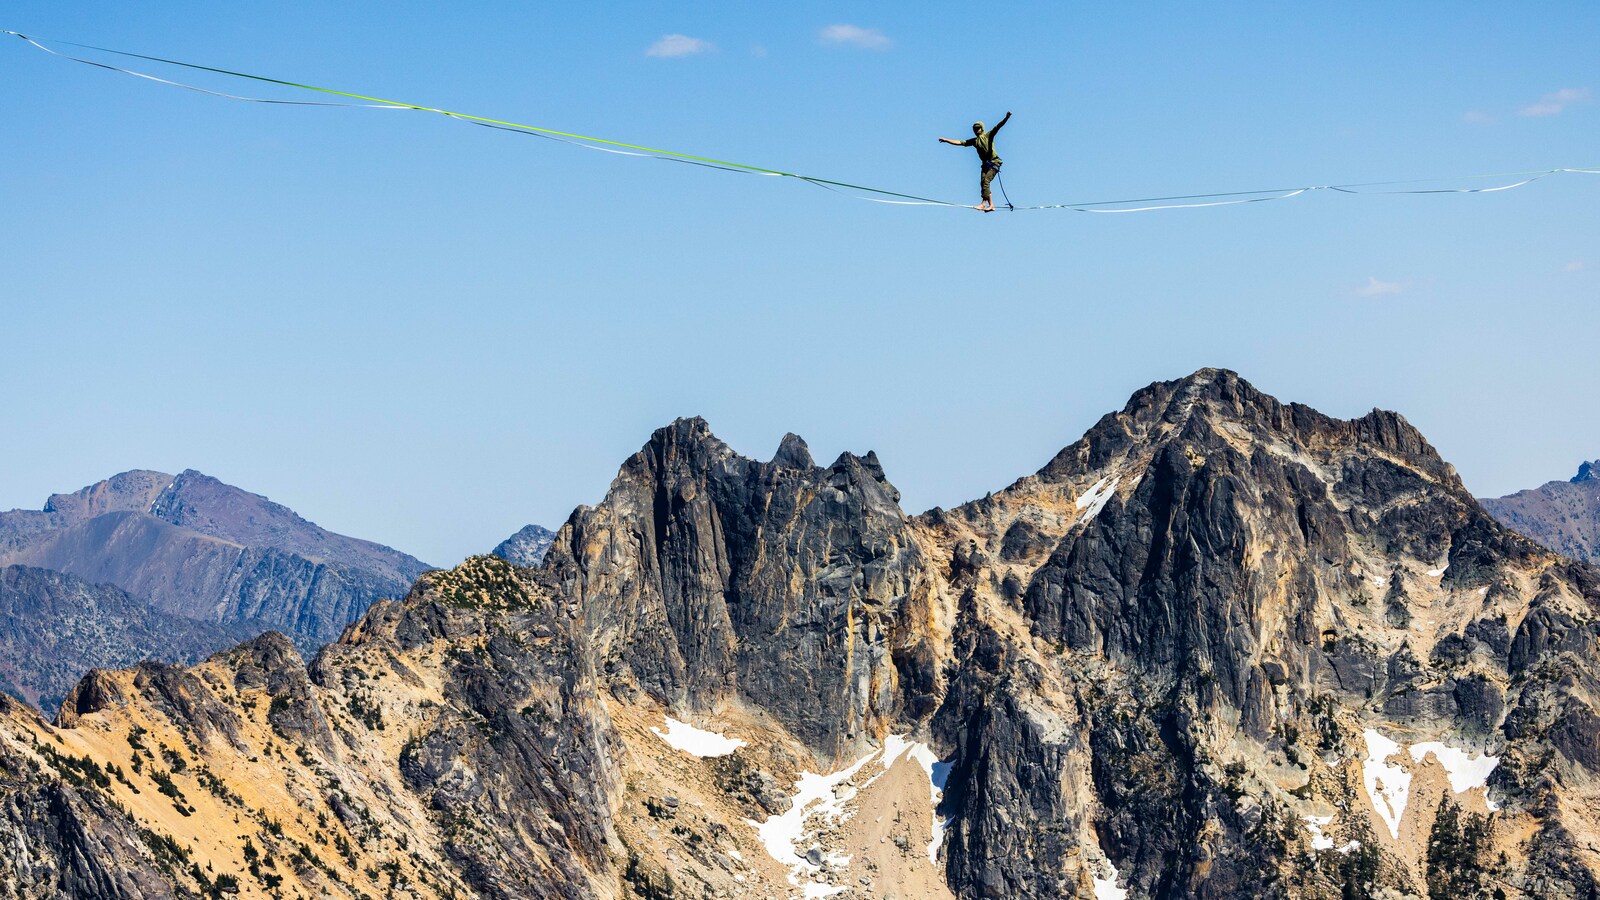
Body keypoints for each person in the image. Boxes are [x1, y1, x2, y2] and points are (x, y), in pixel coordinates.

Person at [940, 112, 1011, 211]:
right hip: (985, 165)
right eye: (975, 129)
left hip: (994, 163)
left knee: (986, 181)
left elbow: (998, 126)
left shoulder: (988, 135)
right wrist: (946, 140)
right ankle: (984, 204)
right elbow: (960, 142)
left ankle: (990, 205)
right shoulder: (974, 141)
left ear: (982, 128)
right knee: (983, 183)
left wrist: (1006, 117)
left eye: (978, 128)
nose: (976, 130)